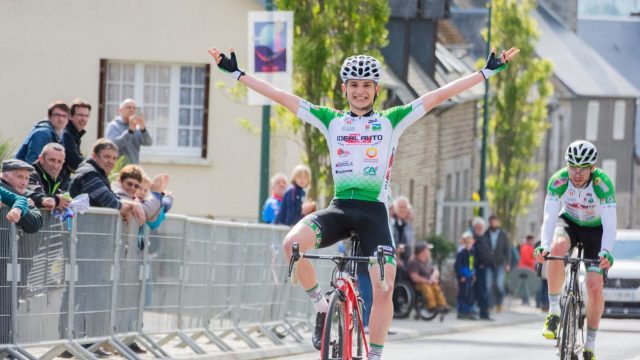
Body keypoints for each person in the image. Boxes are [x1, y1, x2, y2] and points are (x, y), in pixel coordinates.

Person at [208, 45, 519, 358]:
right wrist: (238, 74)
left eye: (366, 85)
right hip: (340, 208)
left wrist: (485, 73)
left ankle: (374, 355)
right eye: (353, 85)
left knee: (385, 283)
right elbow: (283, 97)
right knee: (292, 245)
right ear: (344, 89)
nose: (359, 91)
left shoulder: (391, 121)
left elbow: (437, 95)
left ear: (376, 90)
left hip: (374, 215)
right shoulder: (330, 120)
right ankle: (321, 307)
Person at [535, 140, 616, 360]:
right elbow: (550, 217)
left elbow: (610, 223)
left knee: (595, 286)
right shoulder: (559, 180)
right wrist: (543, 245)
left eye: (582, 168)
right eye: (572, 167)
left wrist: (606, 251)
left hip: (595, 231)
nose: (577, 173)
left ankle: (590, 343)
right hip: (569, 222)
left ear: (592, 168)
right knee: (556, 247)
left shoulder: (603, 184)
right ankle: (554, 311)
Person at [68, 139, 133, 216]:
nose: (111, 161)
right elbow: (110, 201)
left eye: (114, 158)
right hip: (82, 226)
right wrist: (128, 210)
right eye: (107, 157)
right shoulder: (89, 174)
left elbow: (113, 197)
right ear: (94, 156)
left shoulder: (99, 173)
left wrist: (133, 206)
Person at [0, 159, 43, 233]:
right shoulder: (7, 192)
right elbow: (34, 224)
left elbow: (36, 222)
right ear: (5, 176)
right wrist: (28, 206)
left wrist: (21, 208)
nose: (24, 183)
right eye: (20, 177)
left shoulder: (21, 196)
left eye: (26, 178)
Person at [105, 99, 152, 164]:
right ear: (120, 110)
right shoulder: (113, 126)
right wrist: (130, 132)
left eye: (134, 108)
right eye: (128, 107)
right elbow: (112, 145)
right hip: (118, 169)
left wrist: (143, 128)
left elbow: (148, 143)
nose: (131, 110)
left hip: (133, 168)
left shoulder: (137, 127)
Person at [408, 241, 450, 313]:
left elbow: (435, 270)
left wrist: (434, 277)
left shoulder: (427, 262)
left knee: (436, 288)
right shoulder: (414, 262)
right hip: (418, 284)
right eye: (427, 250)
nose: (429, 252)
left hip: (429, 282)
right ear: (422, 252)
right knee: (427, 288)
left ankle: (442, 305)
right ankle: (431, 306)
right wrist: (427, 281)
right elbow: (414, 277)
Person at [28, 143, 72, 210]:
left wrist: (65, 201)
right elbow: (33, 194)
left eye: (59, 162)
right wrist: (57, 200)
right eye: (52, 160)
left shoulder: (56, 180)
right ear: (41, 159)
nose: (55, 166)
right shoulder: (30, 174)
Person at [483, 214, 511, 313]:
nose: (493, 223)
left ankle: (499, 303)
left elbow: (507, 250)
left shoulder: (503, 234)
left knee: (499, 285)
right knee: (488, 285)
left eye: (495, 221)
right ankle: (491, 305)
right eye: (492, 221)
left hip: (500, 263)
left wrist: (507, 263)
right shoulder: (486, 233)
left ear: (498, 222)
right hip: (489, 264)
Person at [60, 99, 91, 188]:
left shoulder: (74, 134)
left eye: (86, 116)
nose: (84, 119)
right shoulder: (67, 134)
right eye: (80, 115)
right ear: (70, 116)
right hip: (57, 182)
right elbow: (74, 162)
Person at [471, 216, 492, 320]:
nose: (480, 229)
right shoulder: (473, 239)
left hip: (485, 268)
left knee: (484, 291)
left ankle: (484, 313)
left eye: (481, 227)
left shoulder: (484, 237)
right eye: (478, 227)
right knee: (478, 291)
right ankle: (475, 312)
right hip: (477, 268)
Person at [455, 231, 476, 320]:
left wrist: (474, 274)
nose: (469, 245)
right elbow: (458, 265)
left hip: (470, 276)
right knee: (463, 294)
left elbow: (472, 265)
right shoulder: (461, 253)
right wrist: (460, 276)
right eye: (467, 243)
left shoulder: (472, 253)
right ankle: (461, 312)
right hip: (464, 276)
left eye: (470, 242)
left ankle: (469, 311)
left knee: (470, 294)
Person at [391, 196, 415, 267]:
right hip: (393, 259)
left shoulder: (406, 224)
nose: (403, 210)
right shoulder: (391, 222)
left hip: (406, 261)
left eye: (405, 208)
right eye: (401, 207)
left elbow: (410, 241)